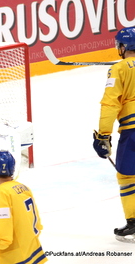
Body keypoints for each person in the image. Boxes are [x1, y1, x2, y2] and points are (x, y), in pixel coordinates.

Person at [93, 27, 135, 242]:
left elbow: (110, 103)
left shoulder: (118, 69)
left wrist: (103, 135)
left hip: (132, 131)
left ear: (123, 47)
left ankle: (134, 221)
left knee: (127, 176)